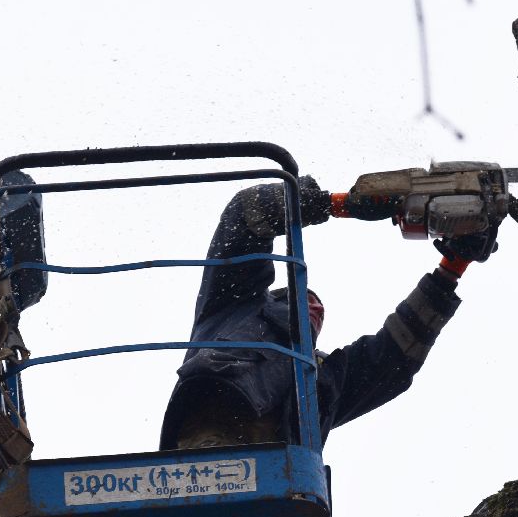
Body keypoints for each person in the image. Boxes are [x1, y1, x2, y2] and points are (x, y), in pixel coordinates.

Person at [159, 177, 497, 450]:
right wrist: (337, 204)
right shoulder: (231, 308)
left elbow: (394, 358)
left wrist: (453, 265)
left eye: (319, 307)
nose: (315, 308)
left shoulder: (319, 377)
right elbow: (242, 217)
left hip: (283, 460)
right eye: (303, 298)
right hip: (210, 438)